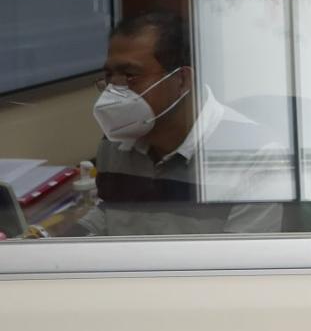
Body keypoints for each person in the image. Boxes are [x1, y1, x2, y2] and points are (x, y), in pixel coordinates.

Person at [69, 12, 291, 236]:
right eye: (110, 76)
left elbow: (244, 261)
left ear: (182, 80)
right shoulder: (116, 139)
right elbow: (112, 211)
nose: (114, 91)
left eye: (129, 75)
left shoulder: (256, 156)